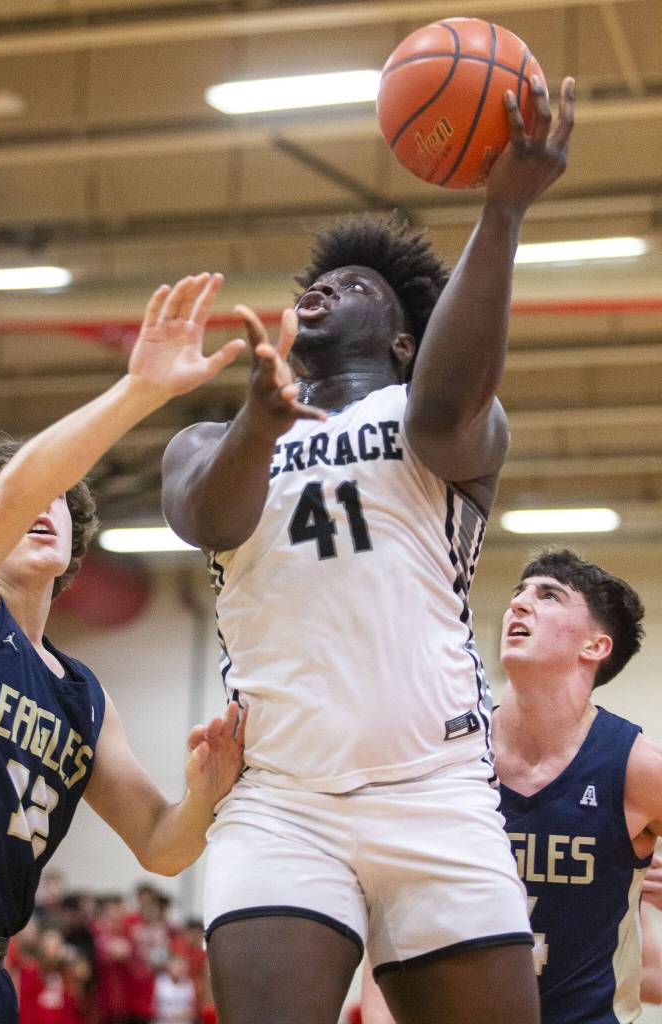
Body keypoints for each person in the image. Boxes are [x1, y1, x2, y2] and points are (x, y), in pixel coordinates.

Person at [161, 75, 575, 1024]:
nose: (325, 287)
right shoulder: (213, 442)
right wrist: (261, 426)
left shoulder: (438, 422)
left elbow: (445, 400)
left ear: (400, 337)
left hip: (434, 792)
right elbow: (207, 519)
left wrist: (503, 209)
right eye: (317, 281)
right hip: (285, 802)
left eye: (356, 286)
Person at [0, 273, 247, 1024]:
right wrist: (139, 391)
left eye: (61, 502)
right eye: (18, 494)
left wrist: (204, 790)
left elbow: (161, 847)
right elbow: (10, 495)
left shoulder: (82, 696)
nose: (41, 504)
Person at [362, 549, 662, 1023]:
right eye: (518, 593)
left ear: (594, 647)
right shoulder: (448, 755)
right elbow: (391, 911)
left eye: (548, 596)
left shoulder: (636, 767)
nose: (519, 605)